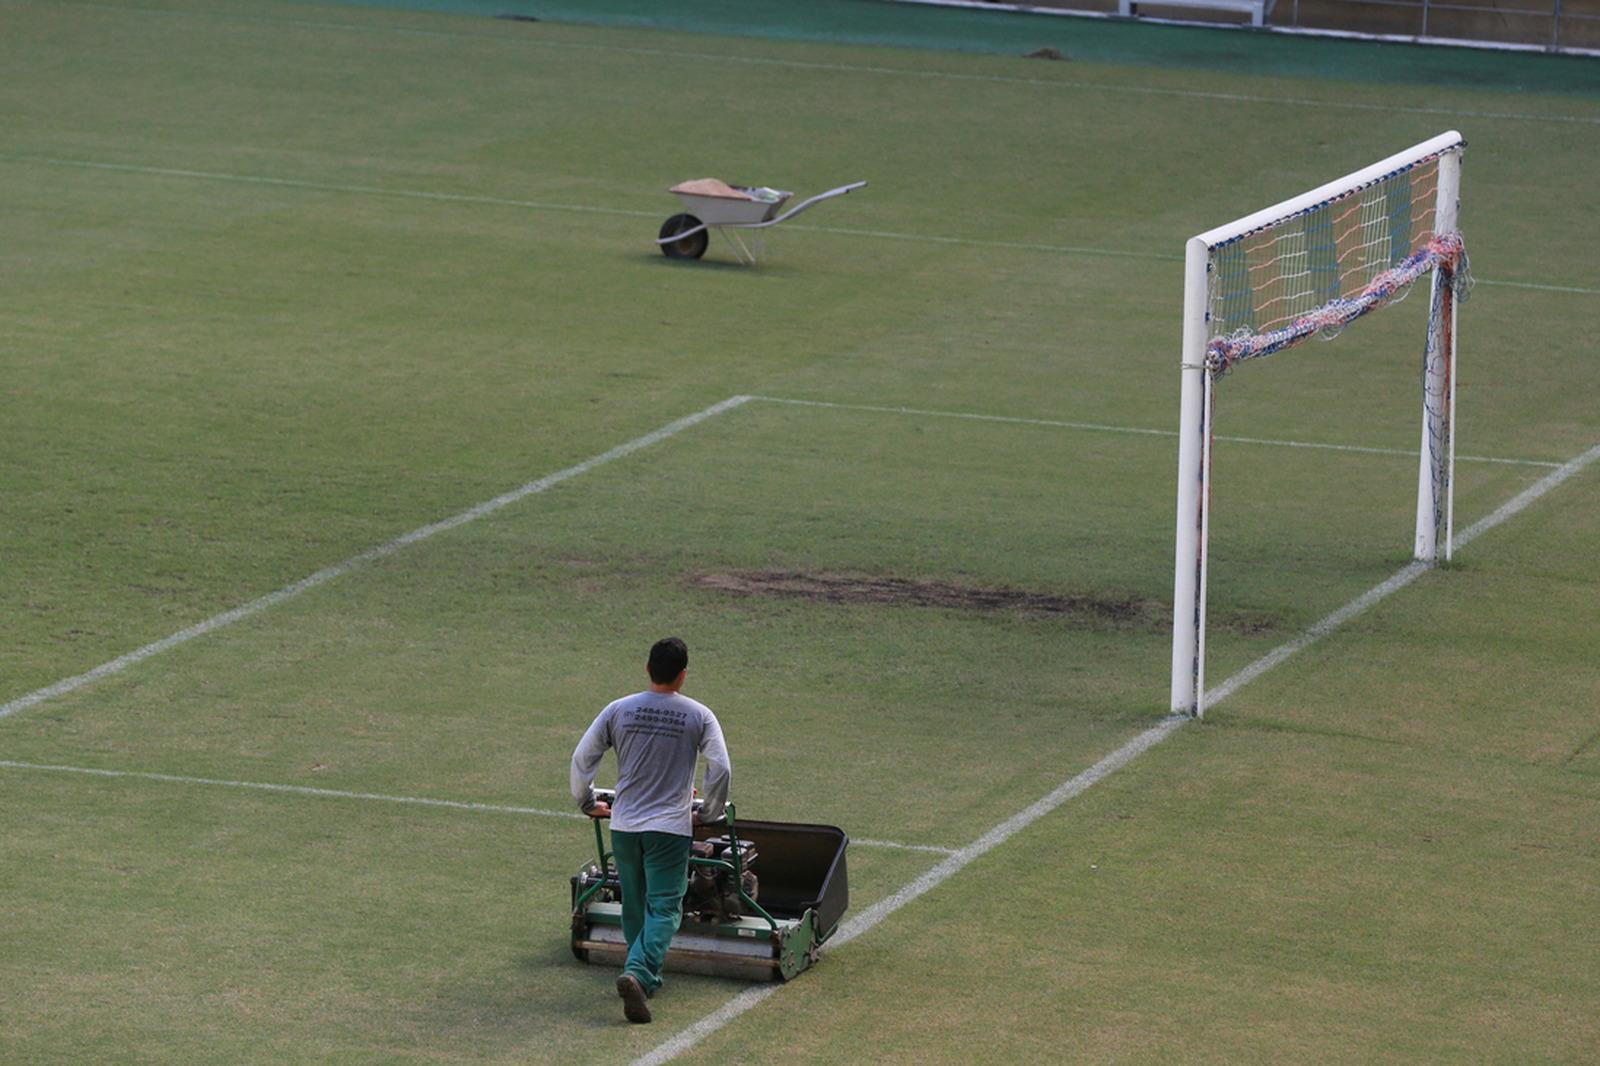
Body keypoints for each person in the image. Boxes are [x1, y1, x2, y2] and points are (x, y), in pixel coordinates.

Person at [569, 636, 731, 1024]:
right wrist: (708, 812)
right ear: (683, 675)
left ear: (647, 668)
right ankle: (638, 973)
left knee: (635, 903)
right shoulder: (699, 715)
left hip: (624, 825)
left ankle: (644, 976)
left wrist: (587, 801)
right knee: (665, 907)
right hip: (669, 830)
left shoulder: (618, 710)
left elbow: (582, 758)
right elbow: (720, 768)